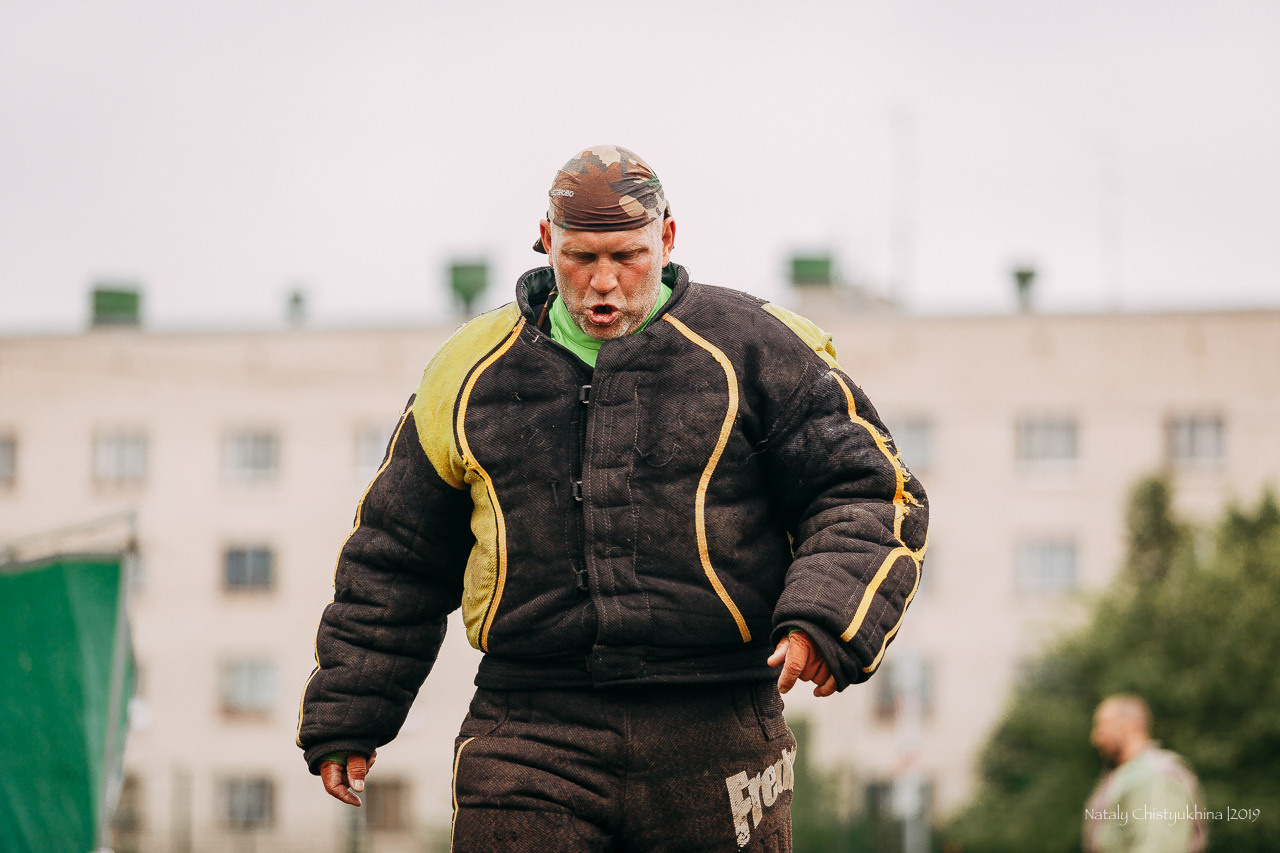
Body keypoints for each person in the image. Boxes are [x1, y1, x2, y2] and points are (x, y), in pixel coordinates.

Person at [297, 144, 929, 851]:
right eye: (580, 257)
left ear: (666, 238)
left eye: (627, 255)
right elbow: (397, 554)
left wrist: (824, 618)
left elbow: (870, 493)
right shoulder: (467, 371)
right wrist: (351, 708)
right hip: (528, 727)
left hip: (719, 719)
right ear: (545, 240)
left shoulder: (760, 348)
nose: (604, 283)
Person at [1084, 694, 1207, 853]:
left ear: (1129, 726)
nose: (1096, 737)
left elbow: (1159, 848)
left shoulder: (1154, 776)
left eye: (1103, 726)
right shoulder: (1127, 774)